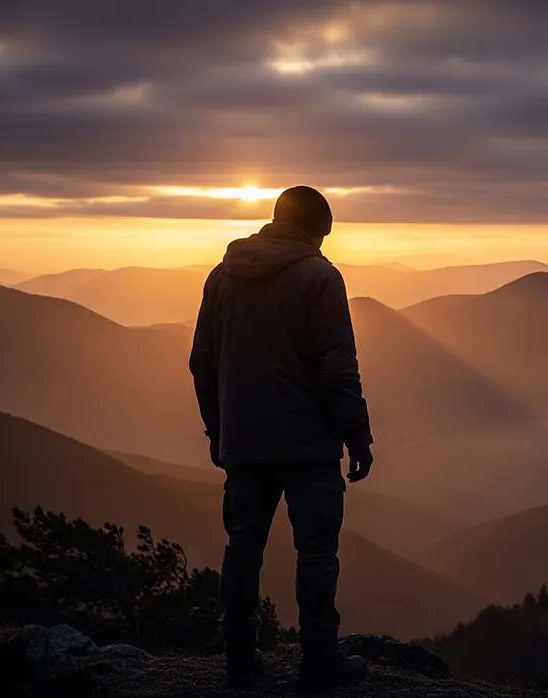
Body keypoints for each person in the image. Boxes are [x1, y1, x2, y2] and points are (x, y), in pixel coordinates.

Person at [189, 185, 374, 692]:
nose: (322, 248)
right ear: (314, 229)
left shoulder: (222, 276)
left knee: (242, 545)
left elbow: (201, 361)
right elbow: (339, 368)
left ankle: (239, 660)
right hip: (308, 445)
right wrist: (358, 437)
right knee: (316, 551)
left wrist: (218, 429)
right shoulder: (320, 277)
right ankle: (319, 663)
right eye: (322, 238)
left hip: (243, 440)